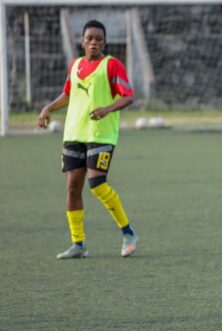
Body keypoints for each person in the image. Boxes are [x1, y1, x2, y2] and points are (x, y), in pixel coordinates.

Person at [38, 20, 137, 259]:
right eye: (90, 38)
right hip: (74, 133)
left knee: (97, 184)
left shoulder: (111, 65)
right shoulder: (75, 65)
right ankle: (78, 244)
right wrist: (48, 108)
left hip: (101, 134)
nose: (94, 42)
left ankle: (128, 233)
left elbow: (128, 96)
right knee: (73, 187)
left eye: (99, 39)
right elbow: (68, 94)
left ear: (105, 42)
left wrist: (107, 109)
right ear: (82, 41)